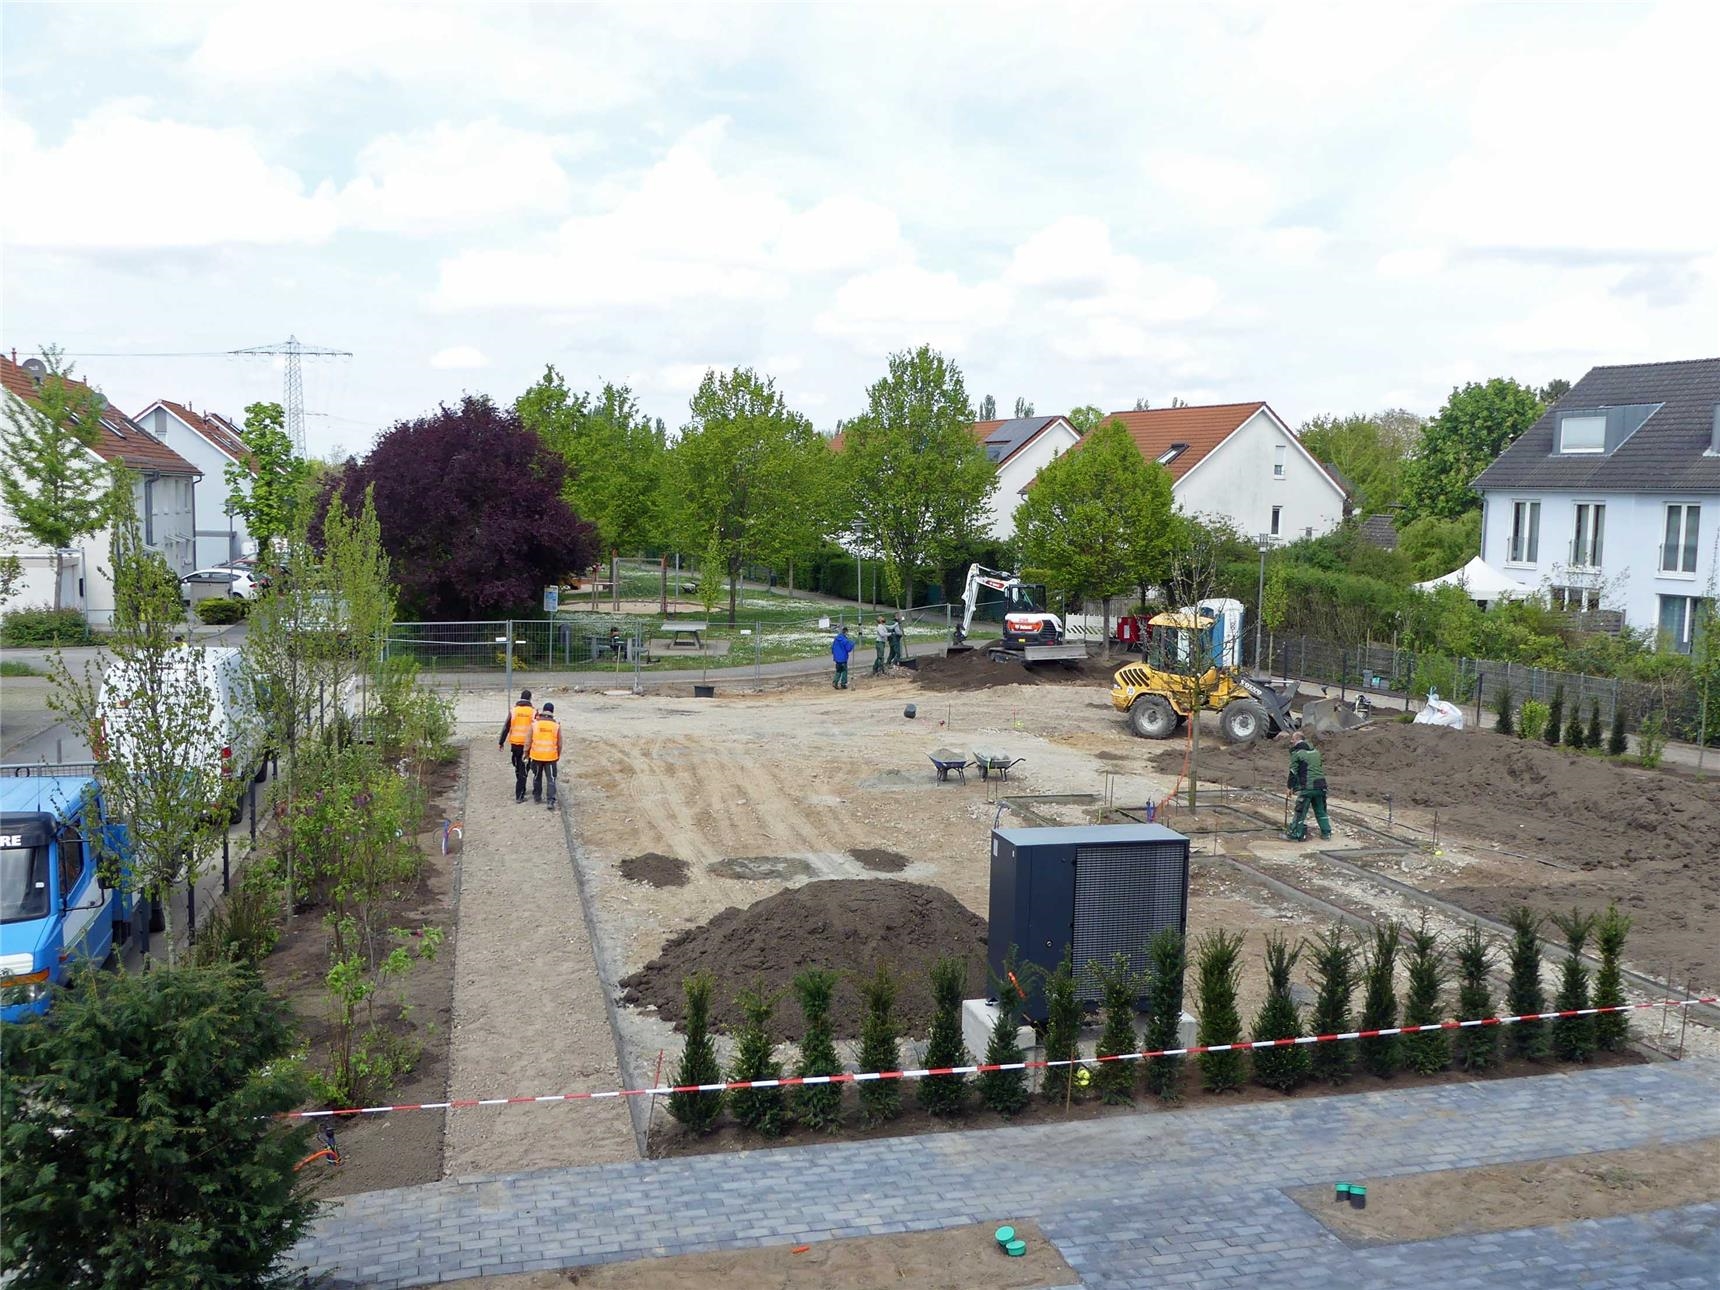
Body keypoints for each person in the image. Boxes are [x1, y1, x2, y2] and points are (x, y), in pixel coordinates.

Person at [1285, 733, 1332, 841]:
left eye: (1292, 739)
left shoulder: (1297, 754)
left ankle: (1295, 834)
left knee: (1300, 811)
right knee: (1321, 811)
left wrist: (1289, 787)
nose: (1291, 742)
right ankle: (1326, 833)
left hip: (1308, 787)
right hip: (1321, 786)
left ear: (1297, 739)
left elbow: (1293, 772)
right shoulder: (1316, 752)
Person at [498, 689, 535, 803]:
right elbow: (536, 729)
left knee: (518, 767)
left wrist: (501, 742)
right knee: (524, 768)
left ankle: (520, 786)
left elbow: (506, 727)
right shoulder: (533, 712)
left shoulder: (513, 711)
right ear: (530, 698)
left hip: (515, 745)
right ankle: (519, 794)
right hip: (527, 746)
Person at [529, 701, 562, 810]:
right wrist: (558, 755)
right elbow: (559, 744)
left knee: (537, 777)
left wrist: (526, 752)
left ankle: (537, 797)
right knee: (551, 779)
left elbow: (528, 740)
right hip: (551, 757)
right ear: (552, 712)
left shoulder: (534, 724)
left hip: (536, 756)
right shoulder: (556, 726)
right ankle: (550, 801)